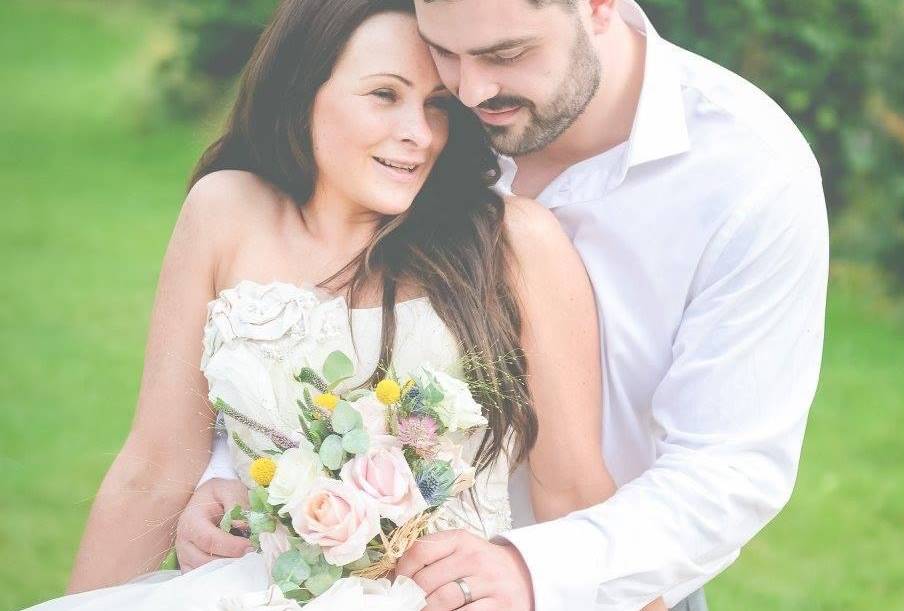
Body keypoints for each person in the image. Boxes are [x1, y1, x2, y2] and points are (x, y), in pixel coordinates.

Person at [187, 0, 830, 610]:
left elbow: (728, 466)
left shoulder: (749, 174)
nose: (470, 93)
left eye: (508, 53)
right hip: (344, 575)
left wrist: (534, 568)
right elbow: (308, 297)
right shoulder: (421, 115)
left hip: (607, 587)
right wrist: (242, 471)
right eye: (445, 51)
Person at [27, 0, 658, 609]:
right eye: (384, 95)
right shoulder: (225, 213)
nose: (417, 134)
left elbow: (574, 489)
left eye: (436, 105)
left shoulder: (513, 243)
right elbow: (156, 466)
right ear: (304, 88)